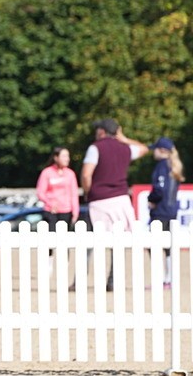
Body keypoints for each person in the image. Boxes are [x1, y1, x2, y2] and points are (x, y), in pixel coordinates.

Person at [79, 118, 149, 290]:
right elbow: (144, 148)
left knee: (88, 241)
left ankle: (80, 279)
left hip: (99, 200)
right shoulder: (125, 148)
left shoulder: (95, 148)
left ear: (102, 131)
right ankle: (113, 280)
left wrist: (88, 191)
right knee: (118, 242)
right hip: (121, 200)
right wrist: (124, 139)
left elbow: (87, 174)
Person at [147, 136, 183, 286]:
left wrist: (151, 199)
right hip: (172, 212)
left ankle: (161, 278)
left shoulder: (162, 166)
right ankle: (169, 279)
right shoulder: (174, 166)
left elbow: (159, 190)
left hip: (160, 212)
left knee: (153, 245)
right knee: (169, 247)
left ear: (162, 151)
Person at [36, 147, 79, 229]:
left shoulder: (70, 174)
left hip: (66, 211)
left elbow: (74, 194)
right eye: (64, 156)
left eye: (68, 156)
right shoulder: (47, 172)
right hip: (51, 211)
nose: (67, 159)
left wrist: (75, 211)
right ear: (56, 158)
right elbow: (40, 192)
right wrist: (50, 203)